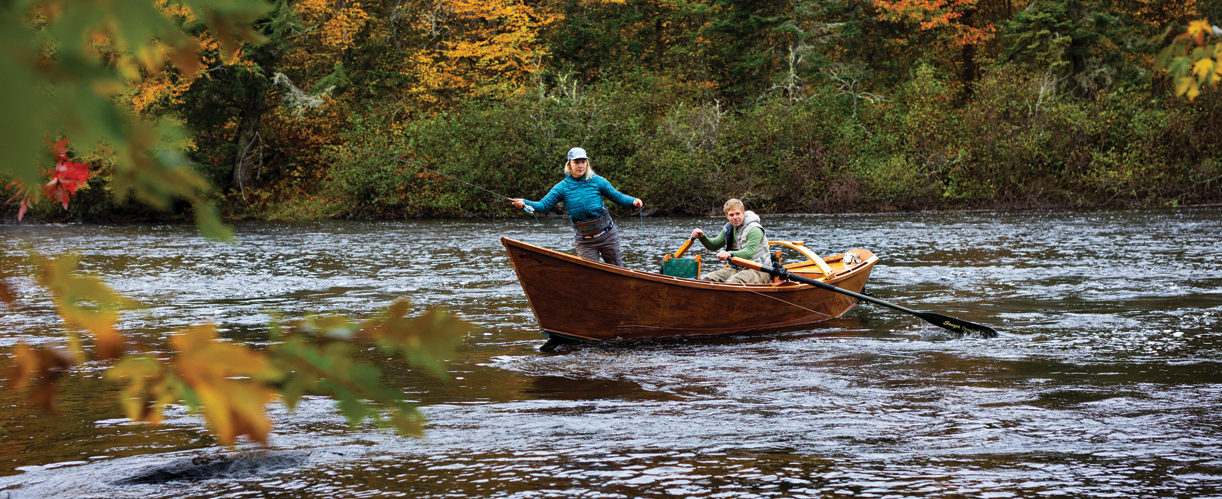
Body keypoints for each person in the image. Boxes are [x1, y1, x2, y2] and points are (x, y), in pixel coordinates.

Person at [511, 147, 643, 267]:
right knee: (589, 276)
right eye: (576, 162)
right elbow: (543, 205)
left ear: (587, 163)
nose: (580, 166)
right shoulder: (562, 187)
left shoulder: (598, 181)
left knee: (618, 271)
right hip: (585, 242)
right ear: (569, 165)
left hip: (608, 236)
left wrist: (633, 201)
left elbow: (617, 197)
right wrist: (524, 203)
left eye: (583, 162)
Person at [690, 198, 771, 284]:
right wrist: (702, 236)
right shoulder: (729, 228)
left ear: (743, 213)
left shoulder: (754, 229)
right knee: (708, 279)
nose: (735, 217)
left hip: (759, 270)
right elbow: (714, 245)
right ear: (727, 216)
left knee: (732, 282)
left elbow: (750, 252)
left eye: (738, 214)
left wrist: (730, 254)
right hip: (736, 268)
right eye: (732, 215)